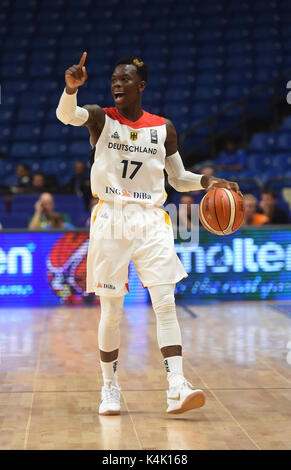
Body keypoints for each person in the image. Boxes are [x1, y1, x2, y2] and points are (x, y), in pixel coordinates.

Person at [56, 52, 240, 416]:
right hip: (111, 217)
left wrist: (208, 181)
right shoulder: (100, 118)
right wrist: (70, 89)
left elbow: (178, 178)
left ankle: (176, 385)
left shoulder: (163, 128)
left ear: (141, 85)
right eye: (112, 80)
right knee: (111, 311)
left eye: (124, 80)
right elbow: (66, 115)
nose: (116, 84)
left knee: (165, 303)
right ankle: (109, 388)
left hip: (152, 219)